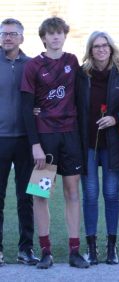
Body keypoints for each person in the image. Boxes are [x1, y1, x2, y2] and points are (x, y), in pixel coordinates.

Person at [21, 16, 89, 269]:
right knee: (42, 194)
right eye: (50, 33)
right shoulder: (33, 66)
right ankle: (46, 251)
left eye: (59, 32)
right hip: (45, 137)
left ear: (64, 35)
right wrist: (35, 144)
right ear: (43, 38)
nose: (55, 37)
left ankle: (74, 250)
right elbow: (27, 108)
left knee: (72, 192)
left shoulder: (72, 61)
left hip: (70, 136)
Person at [76, 31, 119, 265]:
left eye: (105, 45)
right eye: (96, 46)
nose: (101, 49)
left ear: (111, 49)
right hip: (87, 144)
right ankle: (92, 248)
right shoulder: (81, 75)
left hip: (112, 144)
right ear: (90, 50)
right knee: (90, 195)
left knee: (111, 194)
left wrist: (116, 118)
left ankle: (112, 247)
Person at [0, 18, 38, 266]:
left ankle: (26, 249)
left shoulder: (32, 65)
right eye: (4, 34)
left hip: (28, 142)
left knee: (29, 196)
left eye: (13, 34)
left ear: (22, 38)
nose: (7, 38)